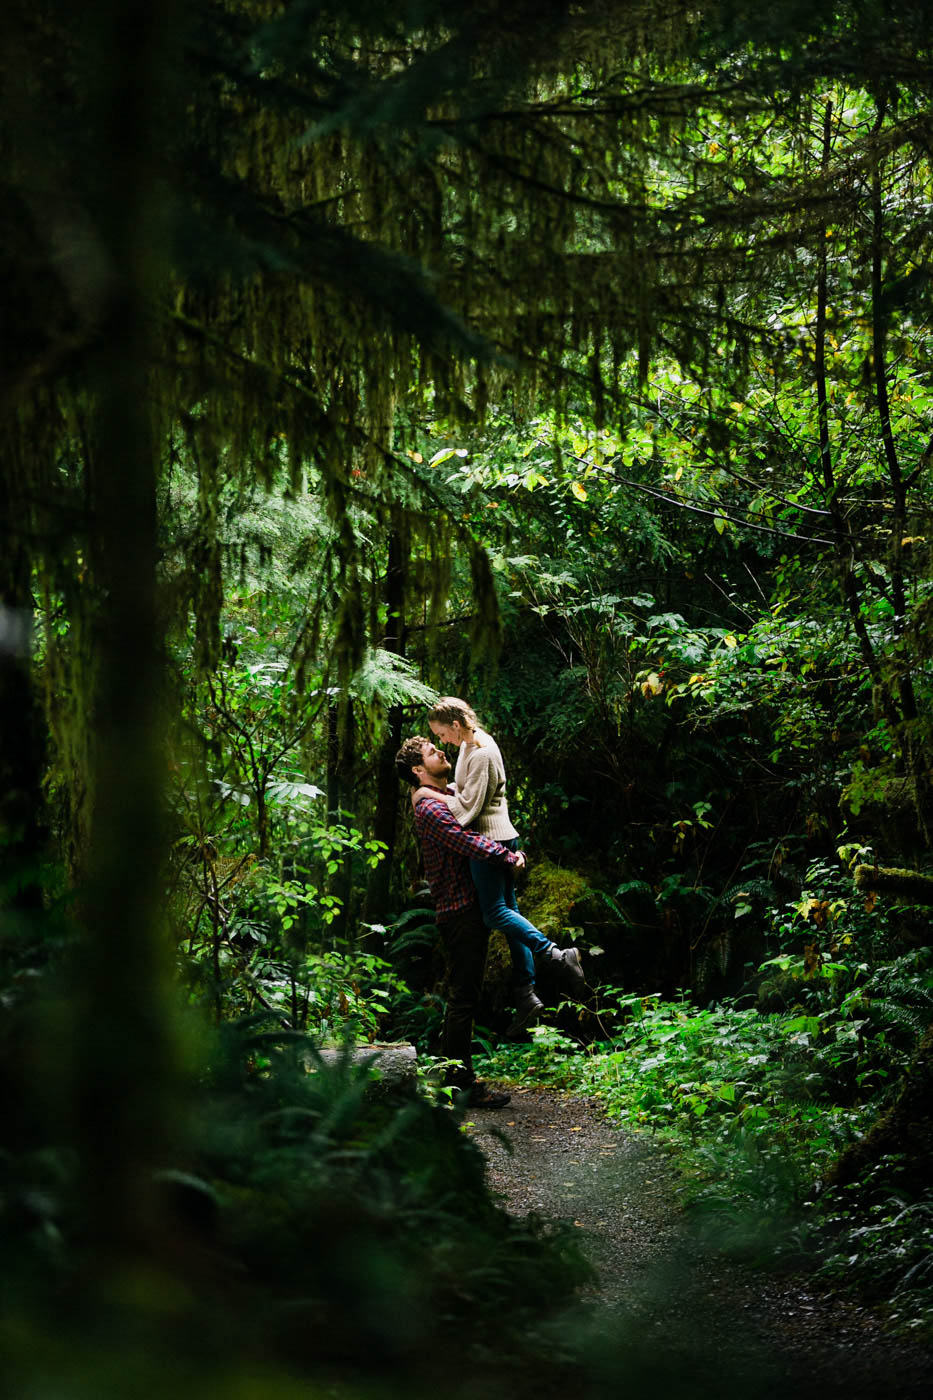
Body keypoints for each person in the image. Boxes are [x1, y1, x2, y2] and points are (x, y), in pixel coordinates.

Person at [412, 696, 584, 1034]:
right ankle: (526, 991)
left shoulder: (482, 752)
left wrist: (428, 795)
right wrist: (442, 793)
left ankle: (557, 955)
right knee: (510, 912)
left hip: (491, 839)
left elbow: (466, 811)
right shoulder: (469, 744)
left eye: (441, 733)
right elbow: (463, 791)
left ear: (456, 725)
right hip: (498, 837)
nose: (442, 741)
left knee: (494, 914)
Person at [395, 734, 518, 1110]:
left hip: (470, 904)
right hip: (458, 910)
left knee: (466, 995)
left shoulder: (446, 793)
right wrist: (505, 856)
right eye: (433, 752)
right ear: (418, 770)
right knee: (463, 997)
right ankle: (461, 1083)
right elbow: (462, 839)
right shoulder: (429, 808)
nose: (441, 751)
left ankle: (456, 1078)